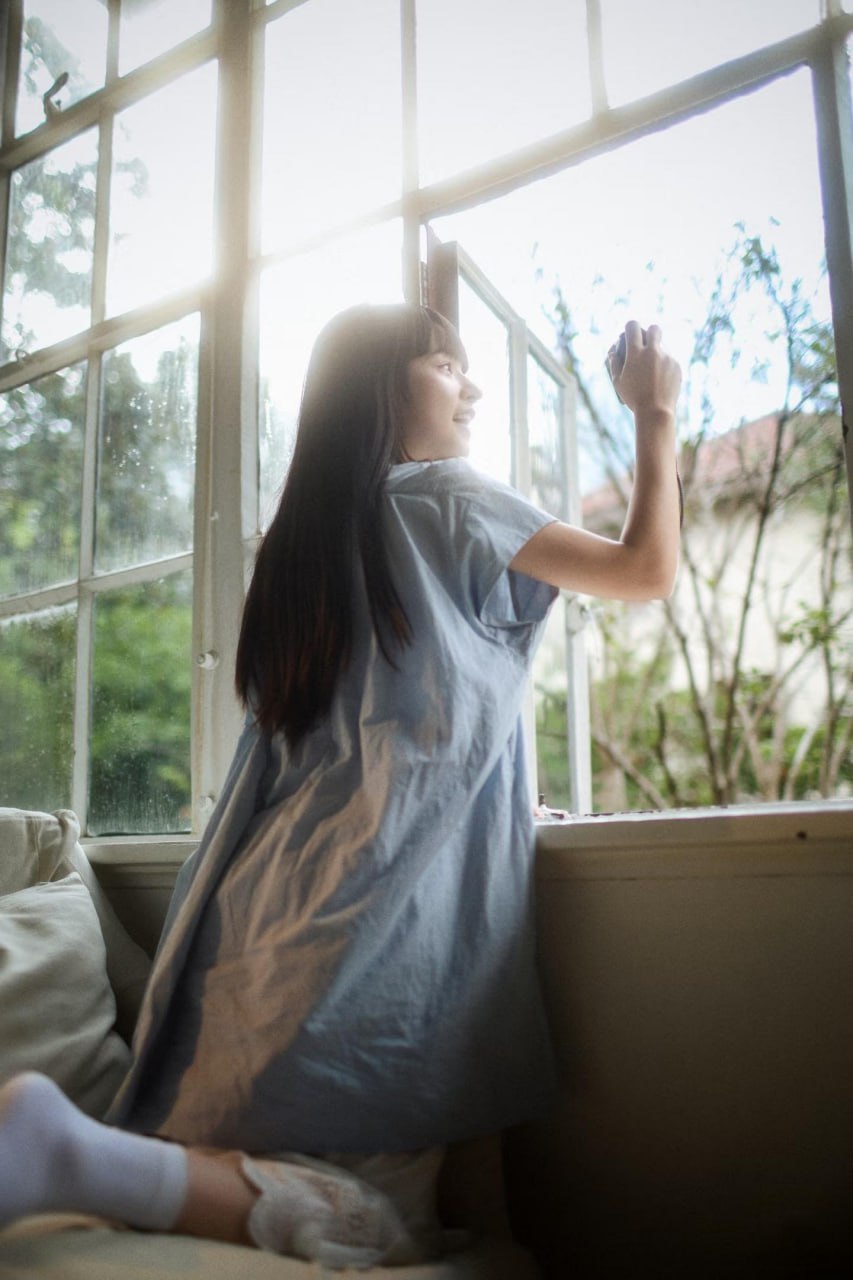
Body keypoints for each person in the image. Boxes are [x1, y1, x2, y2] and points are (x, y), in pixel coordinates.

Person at [0, 307, 681, 1266]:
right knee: (371, 1222)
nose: (471, 387)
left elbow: (385, 734)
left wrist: (491, 804)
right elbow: (646, 570)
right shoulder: (446, 496)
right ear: (383, 389)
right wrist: (652, 414)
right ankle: (68, 1157)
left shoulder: (305, 545)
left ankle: (96, 1173)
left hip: (264, 918)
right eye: (447, 363)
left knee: (311, 1168)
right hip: (365, 922)